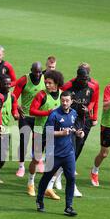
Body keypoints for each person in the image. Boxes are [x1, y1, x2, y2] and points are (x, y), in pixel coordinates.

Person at [36, 91, 84, 217]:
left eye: (67, 101)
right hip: (54, 153)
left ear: (71, 101)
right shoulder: (54, 114)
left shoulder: (73, 113)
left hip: (68, 153)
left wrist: (77, 133)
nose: (65, 103)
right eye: (63, 100)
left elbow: (71, 128)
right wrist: (62, 133)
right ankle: (39, 200)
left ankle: (68, 207)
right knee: (46, 177)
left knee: (71, 178)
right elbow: (47, 132)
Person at [56, 67, 99, 197]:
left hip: (84, 122)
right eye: (83, 79)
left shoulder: (92, 86)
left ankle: (57, 175)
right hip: (69, 121)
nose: (85, 81)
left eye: (87, 79)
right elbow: (60, 99)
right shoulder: (68, 85)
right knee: (69, 150)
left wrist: (91, 111)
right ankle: (68, 184)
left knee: (77, 149)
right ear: (77, 77)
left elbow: (94, 101)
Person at [28, 70, 64, 198]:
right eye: (46, 82)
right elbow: (32, 111)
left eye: (50, 83)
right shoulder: (41, 95)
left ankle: (48, 188)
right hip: (39, 130)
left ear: (57, 83)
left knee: (53, 161)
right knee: (36, 159)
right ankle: (31, 182)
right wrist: (48, 112)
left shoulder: (62, 95)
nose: (47, 85)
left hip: (53, 132)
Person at [13, 62, 46, 177]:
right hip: (25, 116)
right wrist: (17, 108)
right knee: (24, 141)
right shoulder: (24, 80)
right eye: (35, 71)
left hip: (39, 117)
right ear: (31, 70)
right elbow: (14, 97)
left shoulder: (45, 79)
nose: (38, 74)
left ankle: (38, 160)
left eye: (40, 72)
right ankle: (21, 166)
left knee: (39, 141)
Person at [0, 75, 19, 183]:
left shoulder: (12, 96)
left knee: (3, 154)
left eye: (9, 84)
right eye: (5, 84)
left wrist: (16, 115)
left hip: (7, 128)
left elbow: (14, 109)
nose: (7, 86)